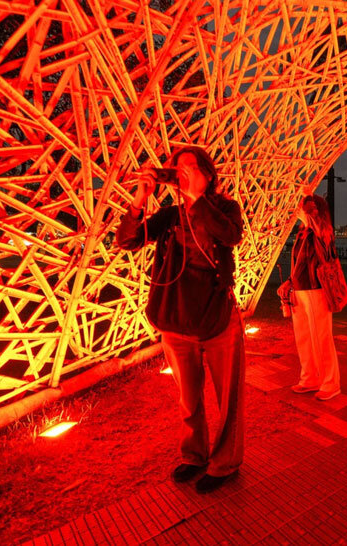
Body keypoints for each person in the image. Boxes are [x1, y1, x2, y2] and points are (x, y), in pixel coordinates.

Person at [116, 145, 245, 494]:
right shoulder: (171, 216)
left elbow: (230, 236)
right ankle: (194, 455)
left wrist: (197, 198)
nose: (183, 172)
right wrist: (140, 199)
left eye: (191, 166)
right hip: (176, 317)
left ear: (208, 174)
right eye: (178, 168)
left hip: (218, 317)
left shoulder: (225, 208)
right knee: (189, 398)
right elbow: (126, 240)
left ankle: (225, 462)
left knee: (228, 399)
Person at [279, 194, 342, 401]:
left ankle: (330, 383)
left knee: (321, 337)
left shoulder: (323, 232)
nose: (300, 210)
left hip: (316, 289)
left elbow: (321, 238)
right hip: (300, 290)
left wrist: (309, 212)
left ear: (316, 212)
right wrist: (290, 282)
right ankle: (310, 378)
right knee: (304, 338)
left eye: (306, 208)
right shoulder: (303, 233)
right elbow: (300, 262)